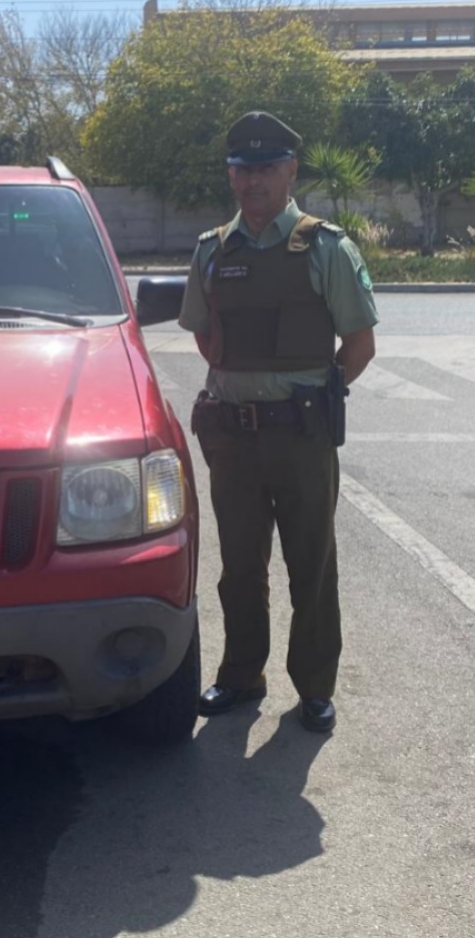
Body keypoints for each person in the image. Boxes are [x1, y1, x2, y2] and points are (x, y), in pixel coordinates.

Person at [179, 110, 378, 733]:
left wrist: (312, 399)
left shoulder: (325, 248)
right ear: (231, 176)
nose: (253, 181)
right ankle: (241, 675)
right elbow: (205, 338)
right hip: (233, 439)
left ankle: (315, 686)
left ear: (290, 171)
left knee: (311, 564)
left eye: (265, 168)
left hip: (301, 436)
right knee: (239, 565)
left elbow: (359, 343)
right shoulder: (213, 250)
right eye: (242, 169)